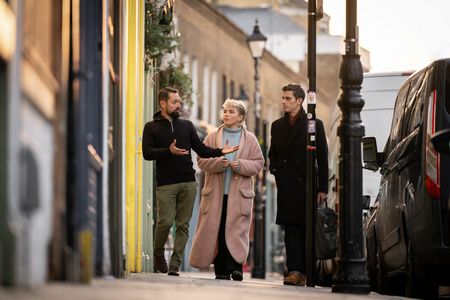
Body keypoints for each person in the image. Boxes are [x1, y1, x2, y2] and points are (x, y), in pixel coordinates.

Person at [142, 87, 239, 276]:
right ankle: (158, 253)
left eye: (179, 101)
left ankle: (175, 264)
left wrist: (220, 151)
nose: (179, 104)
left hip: (188, 182)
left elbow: (201, 149)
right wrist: (167, 151)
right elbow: (147, 153)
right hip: (166, 183)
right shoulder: (151, 127)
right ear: (163, 103)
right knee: (164, 222)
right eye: (174, 101)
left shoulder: (186, 126)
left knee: (183, 225)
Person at [189, 99, 264, 281]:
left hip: (239, 196)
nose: (227, 114)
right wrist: (218, 163)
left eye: (231, 111)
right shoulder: (212, 136)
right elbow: (201, 160)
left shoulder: (251, 139)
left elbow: (258, 163)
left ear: (240, 117)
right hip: (215, 194)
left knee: (237, 230)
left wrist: (240, 165)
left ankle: (236, 267)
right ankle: (221, 270)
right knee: (218, 230)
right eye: (225, 111)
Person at [268, 83, 328, 286]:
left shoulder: (313, 124)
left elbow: (323, 157)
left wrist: (323, 188)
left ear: (299, 101)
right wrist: (277, 172)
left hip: (307, 184)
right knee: (291, 230)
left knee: (307, 229)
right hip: (287, 185)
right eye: (283, 98)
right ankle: (294, 271)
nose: (283, 101)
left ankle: (308, 271)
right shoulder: (276, 126)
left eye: (287, 98)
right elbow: (272, 154)